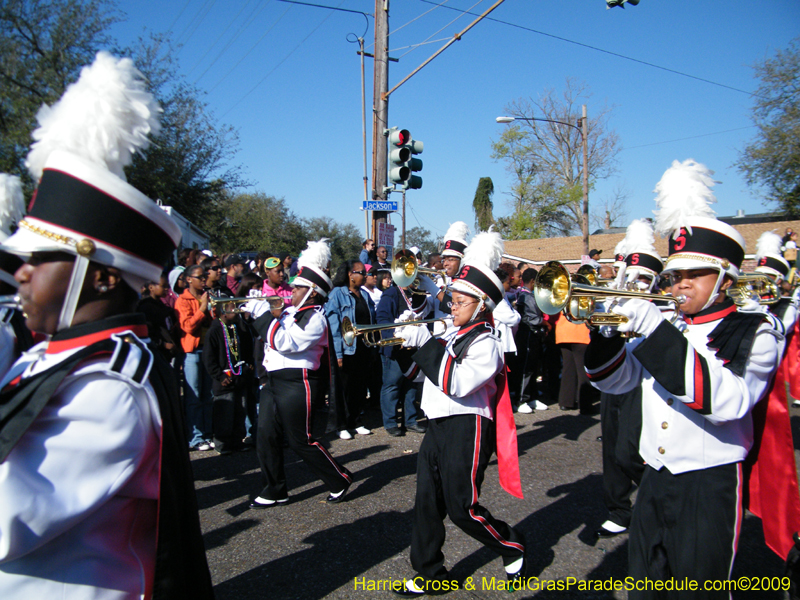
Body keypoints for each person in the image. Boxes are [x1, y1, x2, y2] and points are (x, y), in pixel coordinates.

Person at [0, 51, 212, 598]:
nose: (19, 274)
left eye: (38, 260)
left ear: (98, 279)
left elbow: (7, 521)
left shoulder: (108, 386)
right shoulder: (52, 353)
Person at [585, 160, 782, 598]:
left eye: (695, 274)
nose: (679, 285)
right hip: (655, 473)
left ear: (725, 277)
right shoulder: (670, 325)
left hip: (708, 481)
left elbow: (727, 402)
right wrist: (603, 333)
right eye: (675, 275)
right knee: (644, 585)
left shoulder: (756, 329)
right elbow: (611, 381)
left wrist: (653, 329)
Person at [393, 230, 526, 595]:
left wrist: (426, 343)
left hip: (468, 426)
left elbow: (457, 382)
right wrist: (408, 342)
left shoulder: (488, 342)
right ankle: (429, 573)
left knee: (461, 507)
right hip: (436, 424)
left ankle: (510, 543)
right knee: (426, 503)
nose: (452, 306)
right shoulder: (449, 332)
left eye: (461, 301)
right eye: (452, 300)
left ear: (482, 304)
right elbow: (416, 375)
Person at [248, 240, 352, 507]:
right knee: (266, 436)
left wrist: (261, 315)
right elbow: (269, 339)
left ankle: (339, 478)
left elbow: (285, 342)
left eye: (298, 287)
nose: (292, 290)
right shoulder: (293, 311)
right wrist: (251, 312)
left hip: (298, 383)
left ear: (313, 292)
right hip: (274, 380)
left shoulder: (315, 317)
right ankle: (275, 488)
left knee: (300, 441)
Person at [326, 259, 377, 439]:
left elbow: (372, 320)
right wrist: (338, 354)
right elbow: (334, 325)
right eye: (361, 272)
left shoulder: (365, 295)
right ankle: (342, 425)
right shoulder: (337, 294)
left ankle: (356, 421)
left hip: (364, 348)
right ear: (350, 274)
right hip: (347, 349)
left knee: (360, 388)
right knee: (345, 389)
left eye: (365, 273)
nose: (364, 276)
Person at [203, 295, 255, 454]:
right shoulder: (214, 331)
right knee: (224, 414)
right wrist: (219, 375)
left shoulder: (239, 327)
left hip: (240, 378)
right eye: (233, 308)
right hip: (224, 381)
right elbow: (208, 358)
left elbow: (246, 349)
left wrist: (248, 367)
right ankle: (222, 444)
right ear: (223, 312)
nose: (237, 310)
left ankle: (237, 441)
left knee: (240, 410)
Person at [376, 278, 426, 436]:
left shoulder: (417, 294)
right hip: (396, 348)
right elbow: (382, 319)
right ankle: (390, 423)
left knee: (411, 384)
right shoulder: (391, 293)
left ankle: (410, 421)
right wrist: (393, 338)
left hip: (413, 347)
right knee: (392, 385)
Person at [176, 264, 215, 450]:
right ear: (189, 279)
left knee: (208, 395)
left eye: (204, 276)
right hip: (192, 352)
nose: (203, 280)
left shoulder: (207, 296)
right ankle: (196, 437)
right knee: (194, 396)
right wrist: (203, 308)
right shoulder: (182, 300)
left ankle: (208, 433)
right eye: (200, 277)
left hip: (208, 350)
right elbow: (188, 327)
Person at [514, 268, 549, 413]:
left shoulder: (528, 295)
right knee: (526, 368)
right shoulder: (526, 296)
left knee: (534, 367)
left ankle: (532, 397)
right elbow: (532, 317)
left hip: (533, 335)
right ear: (533, 281)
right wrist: (546, 323)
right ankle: (520, 399)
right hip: (527, 333)